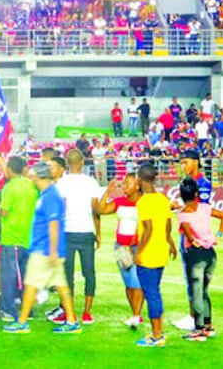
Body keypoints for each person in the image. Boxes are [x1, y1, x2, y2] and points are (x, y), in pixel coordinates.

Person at [3, 162, 81, 334]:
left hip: (45, 249)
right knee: (61, 285)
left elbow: (53, 224)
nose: (30, 178)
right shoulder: (47, 194)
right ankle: (72, 320)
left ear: (39, 176)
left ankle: (22, 322)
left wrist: (52, 251)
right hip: (48, 248)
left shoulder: (50, 196)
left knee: (31, 284)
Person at [51, 149, 101, 325]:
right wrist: (99, 233)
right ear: (81, 162)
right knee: (89, 272)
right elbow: (96, 210)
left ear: (67, 163)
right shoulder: (91, 182)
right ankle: (87, 312)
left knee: (67, 274)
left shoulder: (61, 184)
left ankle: (68, 310)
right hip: (86, 231)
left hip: (67, 232)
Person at [134, 164, 176, 347]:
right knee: (155, 292)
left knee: (151, 294)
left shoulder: (143, 202)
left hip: (148, 255)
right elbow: (168, 225)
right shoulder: (163, 199)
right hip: (161, 252)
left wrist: (139, 251)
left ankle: (157, 335)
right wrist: (171, 243)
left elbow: (148, 230)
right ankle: (159, 332)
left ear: (140, 180)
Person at [176, 178, 222, 341]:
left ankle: (199, 329)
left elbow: (189, 234)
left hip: (196, 254)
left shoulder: (183, 213)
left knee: (196, 292)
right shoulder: (205, 207)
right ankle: (209, 326)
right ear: (196, 193)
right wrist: (219, 235)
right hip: (211, 254)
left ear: (181, 195)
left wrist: (194, 242)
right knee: (204, 290)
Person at [97, 174, 145, 327]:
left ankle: (136, 316)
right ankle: (135, 313)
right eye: (123, 184)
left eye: (128, 184)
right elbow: (101, 209)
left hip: (136, 246)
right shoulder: (120, 202)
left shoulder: (144, 203)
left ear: (138, 185)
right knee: (128, 283)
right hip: (120, 246)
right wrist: (108, 191)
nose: (124, 187)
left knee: (136, 281)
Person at [174, 149, 212, 331]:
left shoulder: (202, 184)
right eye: (182, 163)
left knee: (193, 279)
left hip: (194, 239)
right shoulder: (192, 182)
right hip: (191, 237)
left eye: (186, 162)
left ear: (196, 162)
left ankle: (194, 317)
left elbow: (200, 210)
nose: (183, 166)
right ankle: (200, 319)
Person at [0, 156, 38, 322]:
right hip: (29, 237)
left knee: (9, 276)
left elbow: (5, 211)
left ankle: (8, 309)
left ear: (9, 169)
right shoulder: (32, 186)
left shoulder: (9, 187)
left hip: (12, 237)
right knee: (27, 275)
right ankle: (28, 308)